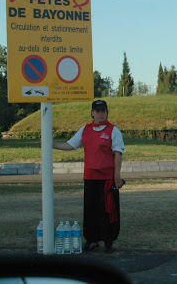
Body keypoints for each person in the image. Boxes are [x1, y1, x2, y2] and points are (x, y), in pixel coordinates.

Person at [53, 100, 125, 253]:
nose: (100, 114)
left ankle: (109, 240)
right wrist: (50, 143)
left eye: (103, 111)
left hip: (106, 178)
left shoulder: (113, 130)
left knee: (108, 210)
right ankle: (92, 239)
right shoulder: (85, 129)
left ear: (107, 112)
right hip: (90, 177)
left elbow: (117, 153)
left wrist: (117, 176)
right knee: (91, 210)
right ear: (92, 113)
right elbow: (70, 145)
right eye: (97, 111)